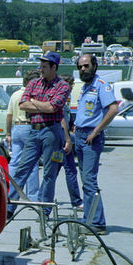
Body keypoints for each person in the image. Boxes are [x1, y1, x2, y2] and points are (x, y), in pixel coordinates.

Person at [6, 51, 71, 219]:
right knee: (22, 169)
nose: (41, 69)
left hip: (52, 131)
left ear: (54, 67)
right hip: (34, 130)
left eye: (44, 66)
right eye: (40, 66)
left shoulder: (63, 86)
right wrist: (42, 104)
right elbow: (23, 104)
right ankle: (9, 207)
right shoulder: (34, 83)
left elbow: (53, 108)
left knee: (50, 172)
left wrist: (33, 102)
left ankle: (44, 210)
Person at [72, 54, 119, 234]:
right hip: (81, 135)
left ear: (95, 66)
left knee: (90, 181)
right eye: (80, 67)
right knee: (86, 181)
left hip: (91, 137)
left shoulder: (101, 86)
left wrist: (96, 131)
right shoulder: (85, 87)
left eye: (86, 66)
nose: (83, 69)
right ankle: (89, 219)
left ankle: (97, 223)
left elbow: (114, 109)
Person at [5, 69, 41, 202]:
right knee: (32, 162)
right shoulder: (32, 95)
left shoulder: (14, 94)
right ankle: (32, 195)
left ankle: (11, 193)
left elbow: (9, 115)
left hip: (16, 127)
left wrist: (8, 132)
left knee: (14, 161)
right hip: (28, 126)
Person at [59, 75, 83, 210]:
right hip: (62, 139)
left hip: (61, 138)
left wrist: (72, 124)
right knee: (71, 171)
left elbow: (67, 119)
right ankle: (76, 201)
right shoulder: (61, 99)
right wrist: (68, 139)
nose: (72, 87)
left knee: (52, 172)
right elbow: (62, 121)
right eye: (71, 84)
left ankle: (44, 203)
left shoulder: (65, 100)